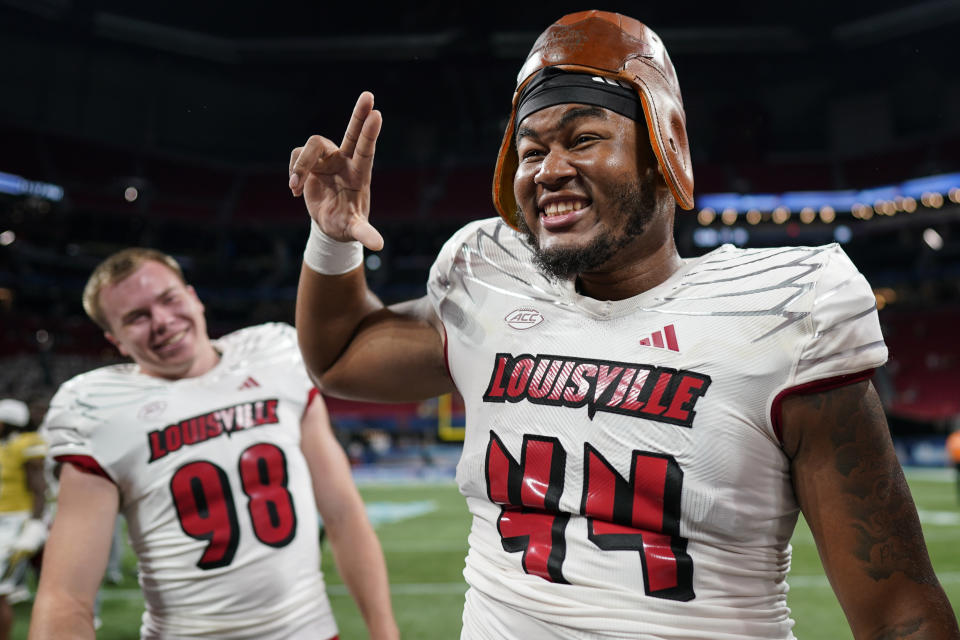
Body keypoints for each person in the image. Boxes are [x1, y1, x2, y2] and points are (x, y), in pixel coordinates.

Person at [289, 10, 959, 640]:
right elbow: (339, 356)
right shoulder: (491, 282)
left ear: (663, 149)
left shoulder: (782, 315)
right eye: (530, 150)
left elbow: (900, 613)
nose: (549, 170)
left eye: (582, 138)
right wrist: (333, 239)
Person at [30, 248, 398, 640]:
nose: (162, 321)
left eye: (169, 299)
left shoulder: (275, 356)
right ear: (114, 339)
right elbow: (66, 596)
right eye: (137, 317)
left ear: (193, 297)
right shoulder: (100, 411)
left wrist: (384, 632)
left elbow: (344, 516)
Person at [0, 399, 47, 640]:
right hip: (2, 521)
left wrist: (35, 524)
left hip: (14, 524)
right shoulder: (5, 446)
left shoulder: (27, 444)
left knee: (1, 593)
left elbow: (39, 487)